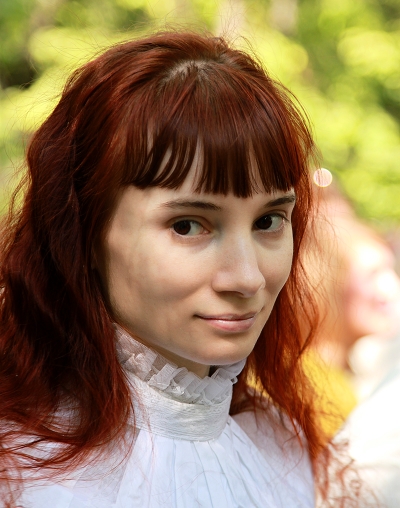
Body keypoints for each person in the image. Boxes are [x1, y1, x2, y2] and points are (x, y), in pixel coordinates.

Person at [0, 31, 362, 507]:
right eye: (188, 225)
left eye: (269, 221)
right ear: (82, 232)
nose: (247, 277)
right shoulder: (20, 473)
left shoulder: (283, 450)